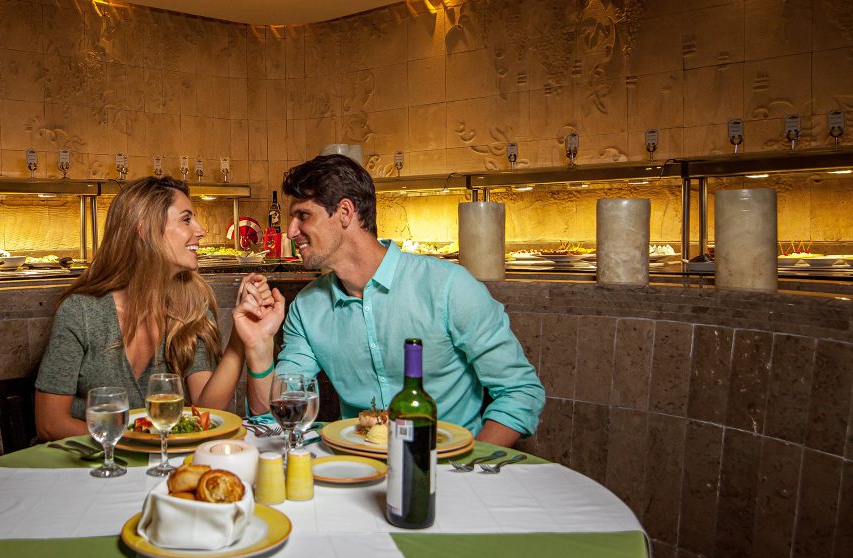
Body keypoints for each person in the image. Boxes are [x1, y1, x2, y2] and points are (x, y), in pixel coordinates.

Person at [244, 154, 545, 447]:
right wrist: (258, 345)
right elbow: (272, 414)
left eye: (303, 215)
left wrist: (467, 468)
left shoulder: (448, 287)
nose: (291, 231)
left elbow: (520, 392)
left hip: (446, 468)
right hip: (357, 470)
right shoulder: (307, 309)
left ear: (345, 213)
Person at [33, 176, 282, 440]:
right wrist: (141, 442)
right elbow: (50, 424)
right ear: (144, 230)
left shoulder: (190, 307)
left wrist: (239, 339)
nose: (201, 230)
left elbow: (205, 409)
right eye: (186, 219)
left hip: (157, 467)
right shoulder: (82, 312)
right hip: (87, 467)